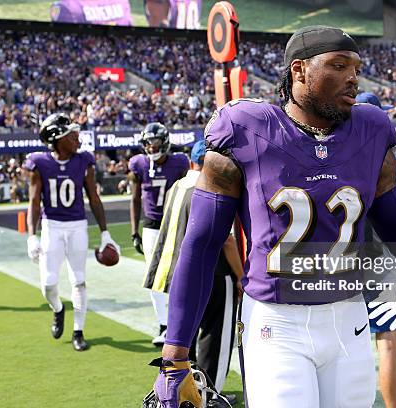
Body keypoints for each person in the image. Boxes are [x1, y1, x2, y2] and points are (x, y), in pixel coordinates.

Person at [152, 26, 396, 408]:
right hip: (276, 322)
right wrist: (175, 355)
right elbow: (202, 245)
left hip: (350, 317)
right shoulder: (245, 129)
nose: (353, 77)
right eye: (339, 65)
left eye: (356, 67)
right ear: (299, 70)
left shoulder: (371, 130)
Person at [145, 140, 243, 407]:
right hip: (214, 272)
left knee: (186, 333)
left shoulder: (178, 185)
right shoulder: (213, 184)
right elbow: (227, 240)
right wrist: (240, 275)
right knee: (215, 337)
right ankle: (208, 394)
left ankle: (185, 386)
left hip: (179, 268)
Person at [25, 113, 119, 352]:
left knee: (78, 280)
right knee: (48, 284)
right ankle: (58, 309)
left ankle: (79, 330)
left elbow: (93, 197)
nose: (77, 137)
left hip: (77, 226)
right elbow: (34, 202)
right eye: (71, 134)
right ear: (57, 138)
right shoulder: (40, 162)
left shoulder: (84, 160)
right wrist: (31, 235)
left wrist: (105, 232)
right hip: (51, 226)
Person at [357, 91, 396, 408]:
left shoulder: (336, 152)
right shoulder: (394, 159)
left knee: (345, 341)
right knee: (389, 339)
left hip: (344, 257)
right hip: (383, 258)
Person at [128, 122, 188, 346]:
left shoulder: (180, 162)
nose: (151, 148)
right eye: (148, 144)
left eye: (154, 143)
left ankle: (179, 321)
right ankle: (164, 324)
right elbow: (134, 199)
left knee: (179, 274)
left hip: (175, 222)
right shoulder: (138, 164)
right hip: (151, 225)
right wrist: (134, 231)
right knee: (154, 278)